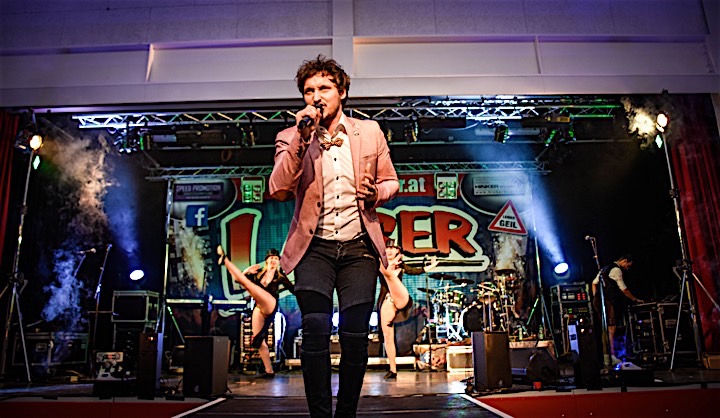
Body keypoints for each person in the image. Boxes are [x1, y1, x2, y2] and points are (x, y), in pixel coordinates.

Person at [268, 55, 399, 417]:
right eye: (309, 90)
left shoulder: (369, 132)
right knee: (315, 327)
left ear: (342, 92)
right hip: (314, 248)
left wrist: (377, 194)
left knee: (355, 334)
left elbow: (391, 181)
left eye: (324, 88)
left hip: (359, 248)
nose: (316, 96)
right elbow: (278, 188)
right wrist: (301, 138)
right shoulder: (289, 137)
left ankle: (347, 413)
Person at [217, 247, 294, 378]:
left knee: (249, 285)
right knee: (258, 340)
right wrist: (247, 270)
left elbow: (293, 288)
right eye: (271, 258)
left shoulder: (280, 277)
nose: (274, 261)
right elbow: (238, 280)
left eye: (276, 259)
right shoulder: (258, 274)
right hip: (259, 307)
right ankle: (269, 371)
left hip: (270, 303)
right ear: (266, 260)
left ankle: (225, 260)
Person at [378, 239, 438, 380]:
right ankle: (393, 369)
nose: (390, 251)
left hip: (400, 298)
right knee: (388, 336)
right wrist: (392, 263)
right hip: (387, 300)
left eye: (393, 248)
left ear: (398, 251)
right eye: (388, 248)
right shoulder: (381, 264)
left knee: (390, 274)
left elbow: (414, 271)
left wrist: (430, 266)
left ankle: (393, 369)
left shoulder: (401, 266)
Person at [591, 254, 643, 364]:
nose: (627, 268)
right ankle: (611, 356)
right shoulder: (616, 270)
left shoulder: (605, 268)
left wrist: (596, 296)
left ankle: (606, 355)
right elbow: (624, 289)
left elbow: (594, 283)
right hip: (607, 301)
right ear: (624, 261)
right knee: (611, 328)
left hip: (599, 301)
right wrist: (635, 299)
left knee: (605, 328)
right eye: (628, 265)